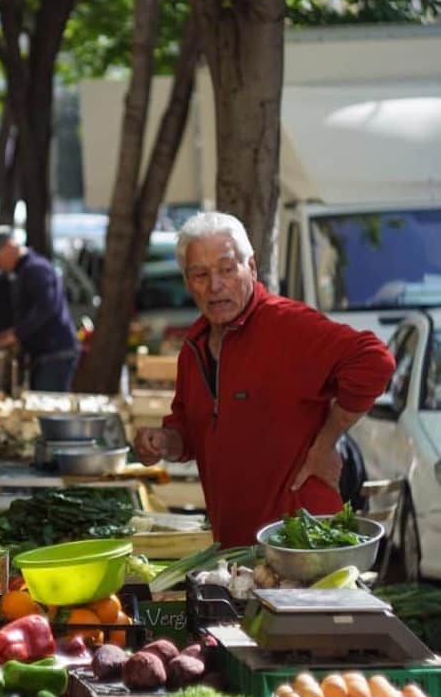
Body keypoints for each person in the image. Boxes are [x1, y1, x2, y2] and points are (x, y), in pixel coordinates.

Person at [133, 211, 395, 548]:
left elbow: (376, 360)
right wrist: (164, 441)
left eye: (227, 270)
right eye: (200, 274)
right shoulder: (193, 348)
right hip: (236, 549)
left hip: (304, 545)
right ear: (187, 282)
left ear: (251, 268)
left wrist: (327, 440)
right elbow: (191, 430)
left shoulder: (288, 324)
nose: (215, 285)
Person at [0, 229, 80, 391]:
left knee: (48, 407)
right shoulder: (25, 269)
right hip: (45, 352)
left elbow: (47, 307)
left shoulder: (35, 269)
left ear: (10, 247)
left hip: (54, 351)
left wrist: (16, 333)